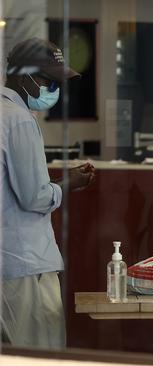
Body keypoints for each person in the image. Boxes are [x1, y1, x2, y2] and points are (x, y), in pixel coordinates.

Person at [1, 38, 96, 348]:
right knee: (39, 353)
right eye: (47, 80)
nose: (53, 88)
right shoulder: (18, 120)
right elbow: (33, 198)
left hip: (8, 264)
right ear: (20, 75)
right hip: (24, 263)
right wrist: (68, 183)